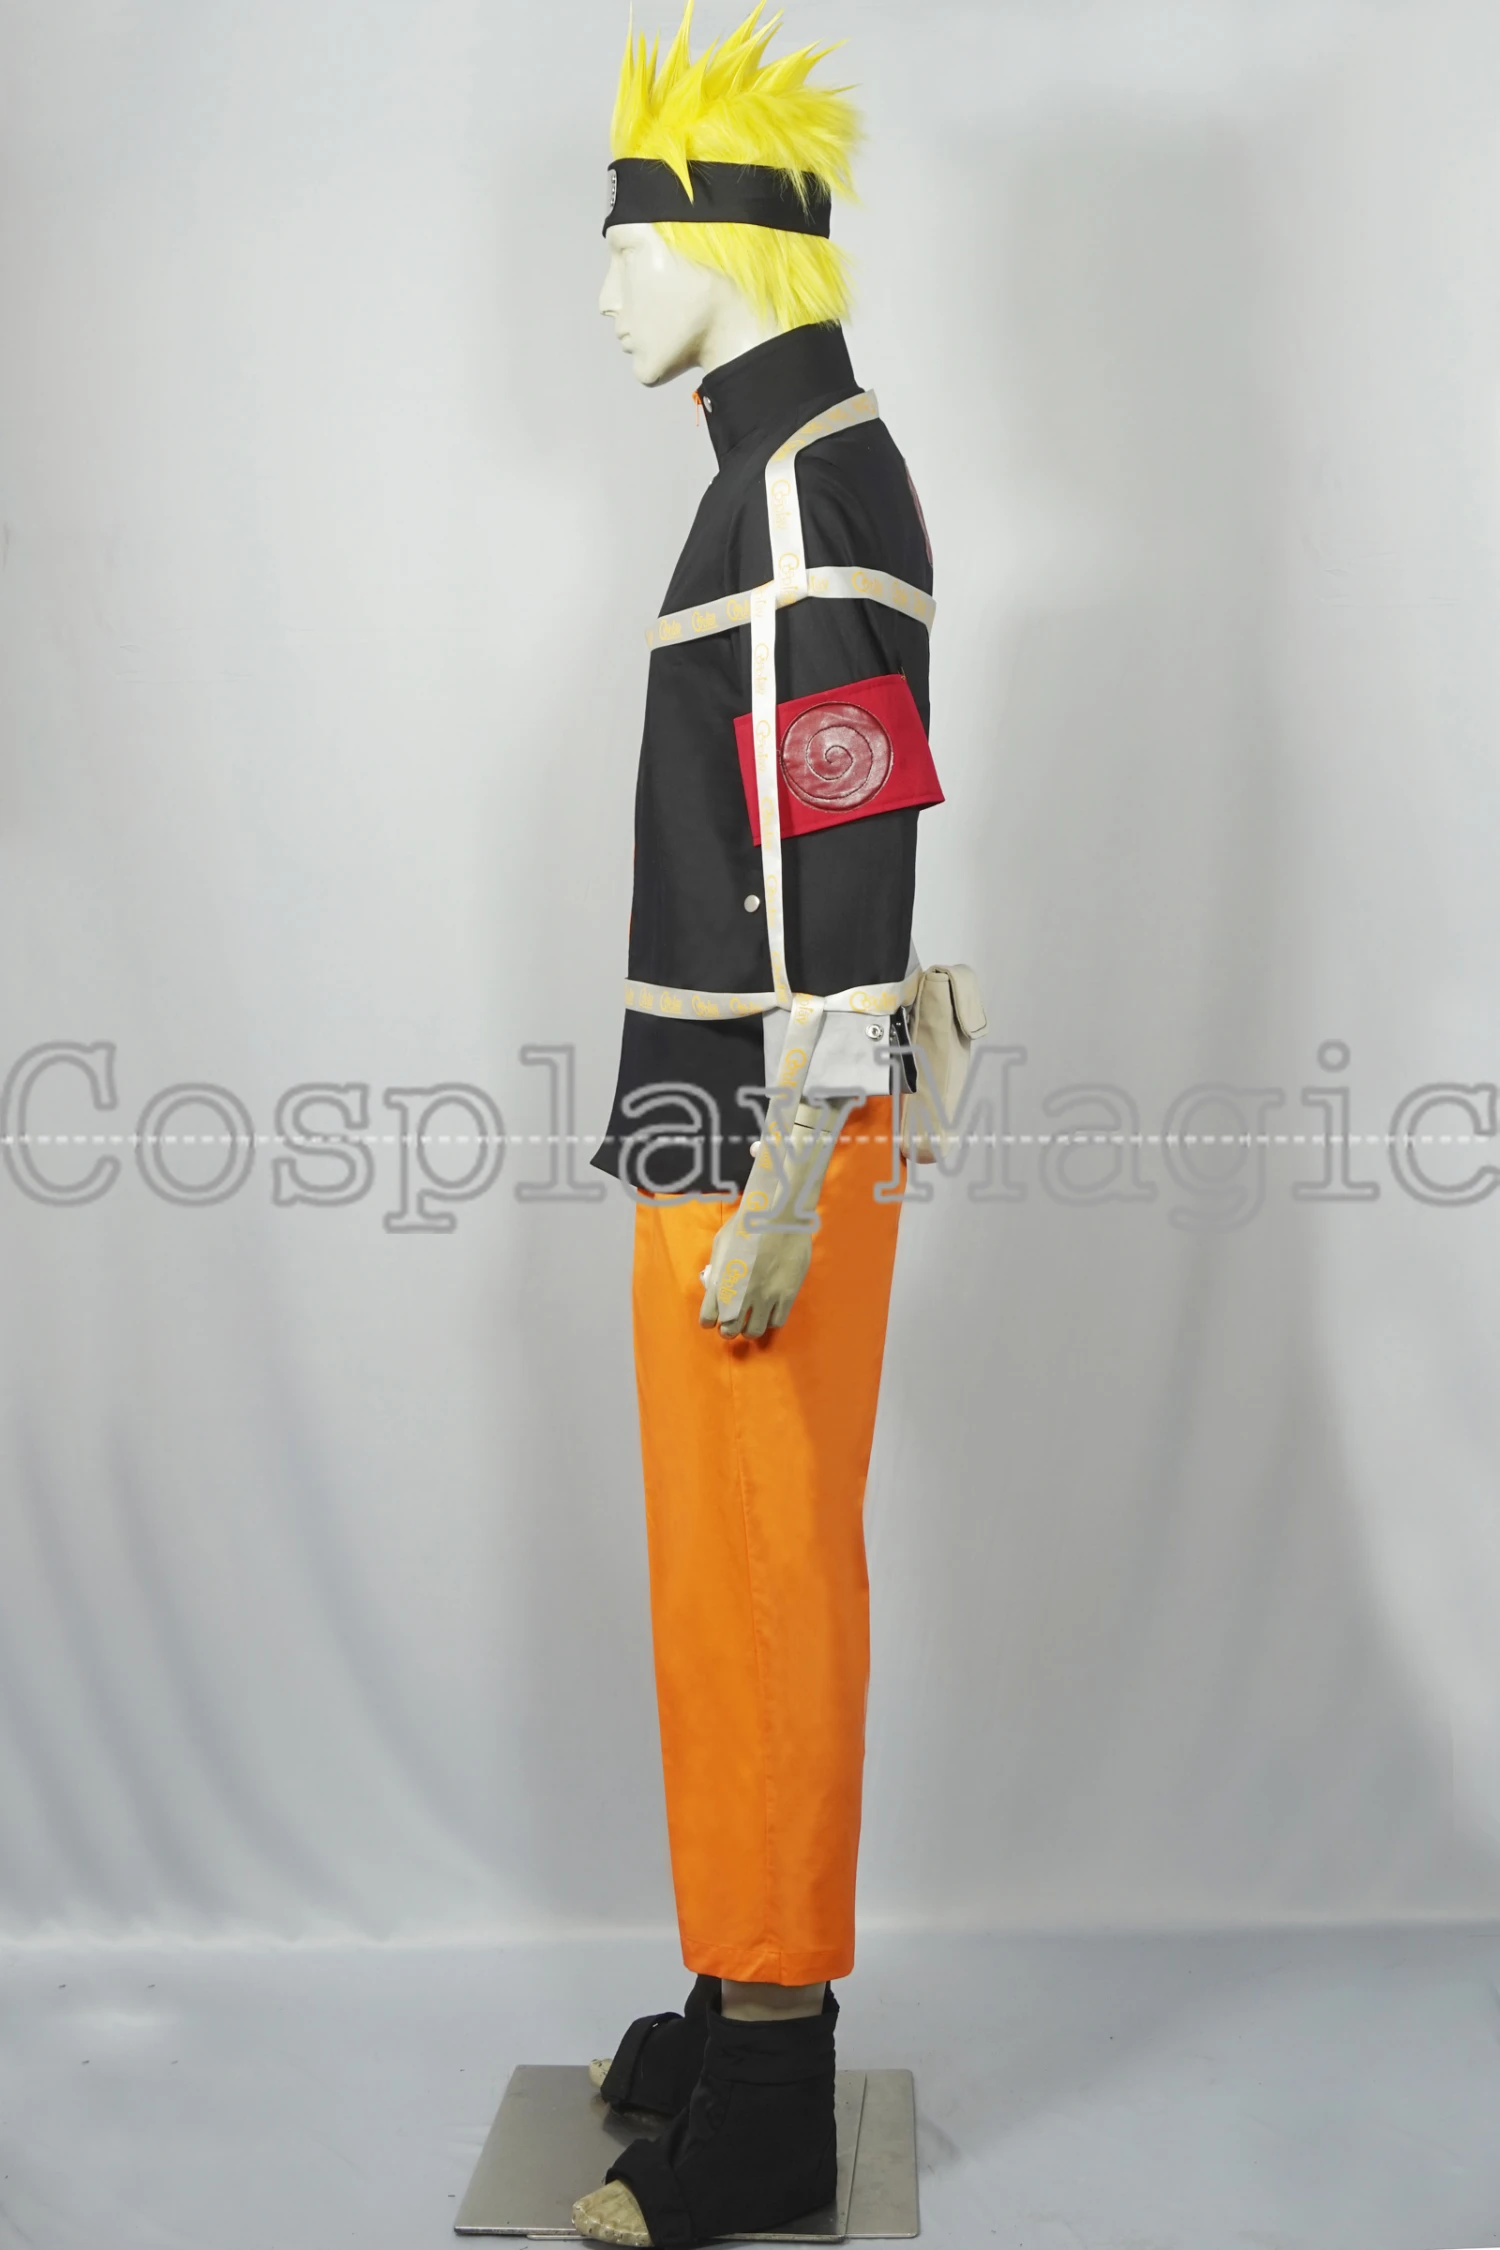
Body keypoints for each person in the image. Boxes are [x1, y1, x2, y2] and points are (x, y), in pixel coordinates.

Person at [575, 8, 943, 2242]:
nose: (606, 288)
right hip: (719, 1118)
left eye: (625, 245)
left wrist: (796, 1170)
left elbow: (850, 850)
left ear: (723, 241)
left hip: (762, 1138)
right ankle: (734, 1986)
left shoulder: (808, 486)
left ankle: (779, 2069)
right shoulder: (775, 469)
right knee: (721, 1573)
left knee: (769, 1573)